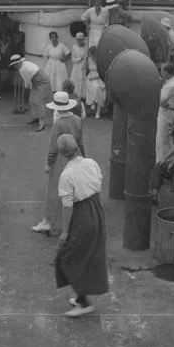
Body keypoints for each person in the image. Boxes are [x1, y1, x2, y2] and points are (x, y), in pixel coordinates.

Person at [53, 134, 108, 317]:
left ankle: (83, 302)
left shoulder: (66, 175)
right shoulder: (91, 163)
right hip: (96, 209)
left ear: (62, 154)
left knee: (69, 257)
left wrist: (65, 232)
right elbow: (99, 181)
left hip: (81, 215)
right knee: (86, 255)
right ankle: (80, 298)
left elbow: (67, 206)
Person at [31, 92, 85, 235]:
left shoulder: (59, 123)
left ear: (58, 108)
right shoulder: (78, 120)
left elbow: (53, 147)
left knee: (55, 190)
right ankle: (73, 221)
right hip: (76, 156)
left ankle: (47, 221)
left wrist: (49, 163)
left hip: (62, 159)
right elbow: (80, 141)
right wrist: (83, 158)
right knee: (75, 190)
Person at [10, 54, 53, 132]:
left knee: (38, 101)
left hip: (43, 82)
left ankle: (42, 123)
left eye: (15, 64)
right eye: (14, 65)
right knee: (32, 100)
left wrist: (26, 88)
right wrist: (28, 88)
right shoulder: (24, 65)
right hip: (35, 82)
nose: (15, 66)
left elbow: (27, 82)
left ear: (19, 63)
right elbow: (29, 81)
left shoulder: (23, 69)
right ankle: (36, 117)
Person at [156, 63, 174, 164]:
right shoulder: (171, 82)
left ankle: (163, 163)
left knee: (163, 139)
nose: (161, 73)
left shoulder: (171, 84)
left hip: (167, 112)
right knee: (164, 139)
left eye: (162, 71)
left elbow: (160, 100)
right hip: (166, 111)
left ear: (166, 72)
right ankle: (164, 162)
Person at [85, 46, 106, 119]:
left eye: (92, 55)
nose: (91, 56)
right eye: (90, 55)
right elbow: (85, 70)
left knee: (98, 88)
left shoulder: (100, 60)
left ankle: (98, 109)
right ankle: (93, 102)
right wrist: (85, 61)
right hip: (90, 76)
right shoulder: (89, 59)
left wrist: (95, 78)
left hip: (98, 77)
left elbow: (102, 72)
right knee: (92, 86)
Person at [70, 32, 87, 101]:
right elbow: (73, 59)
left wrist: (84, 60)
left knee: (83, 80)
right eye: (78, 39)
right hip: (77, 67)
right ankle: (76, 96)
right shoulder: (74, 47)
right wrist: (80, 59)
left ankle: (83, 95)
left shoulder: (86, 46)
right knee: (76, 80)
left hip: (83, 66)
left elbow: (87, 56)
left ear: (83, 39)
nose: (79, 41)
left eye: (80, 39)